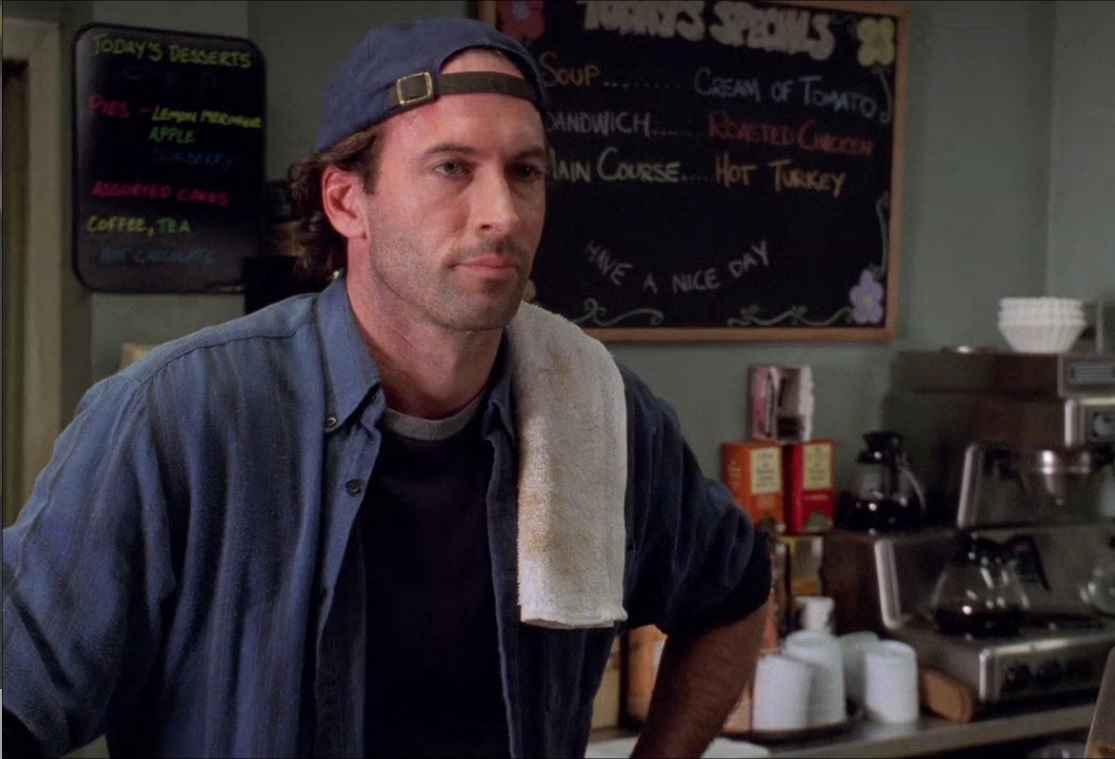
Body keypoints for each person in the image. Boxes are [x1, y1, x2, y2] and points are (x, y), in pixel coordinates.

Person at [1, 15, 770, 759]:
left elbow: (732, 593)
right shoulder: (181, 414)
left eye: (525, 172)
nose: (502, 213)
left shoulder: (597, 409)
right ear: (346, 202)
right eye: (451, 168)